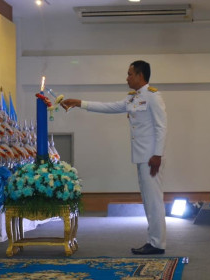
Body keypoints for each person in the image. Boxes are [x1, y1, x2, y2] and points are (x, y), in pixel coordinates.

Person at [60, 60, 167, 255]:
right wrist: (79, 103)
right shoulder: (133, 98)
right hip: (141, 156)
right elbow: (108, 107)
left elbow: (161, 126)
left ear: (140, 76)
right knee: (148, 200)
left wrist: (157, 155)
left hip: (151, 158)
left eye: (130, 74)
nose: (127, 78)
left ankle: (157, 243)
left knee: (154, 201)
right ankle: (153, 240)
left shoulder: (153, 97)